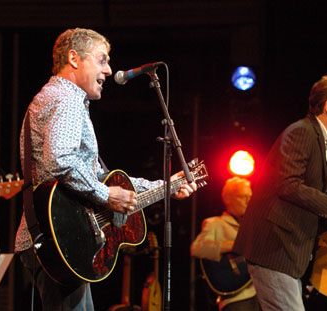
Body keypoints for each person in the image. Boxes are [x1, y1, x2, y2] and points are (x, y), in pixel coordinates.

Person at [14, 28, 197, 311]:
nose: (109, 70)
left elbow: (98, 177)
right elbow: (59, 162)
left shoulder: (55, 97)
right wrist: (106, 195)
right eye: (102, 60)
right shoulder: (67, 99)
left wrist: (164, 186)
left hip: (60, 238)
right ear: (74, 58)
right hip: (59, 240)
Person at [232, 74, 327, 311]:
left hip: (286, 255)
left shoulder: (322, 140)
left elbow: (304, 198)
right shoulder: (302, 132)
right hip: (274, 250)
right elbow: (288, 185)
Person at [191, 177, 260, 311]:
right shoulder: (215, 223)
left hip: (262, 293)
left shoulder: (254, 226)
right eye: (243, 197)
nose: (248, 201)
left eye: (250, 197)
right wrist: (235, 245)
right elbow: (197, 248)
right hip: (237, 298)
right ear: (228, 199)